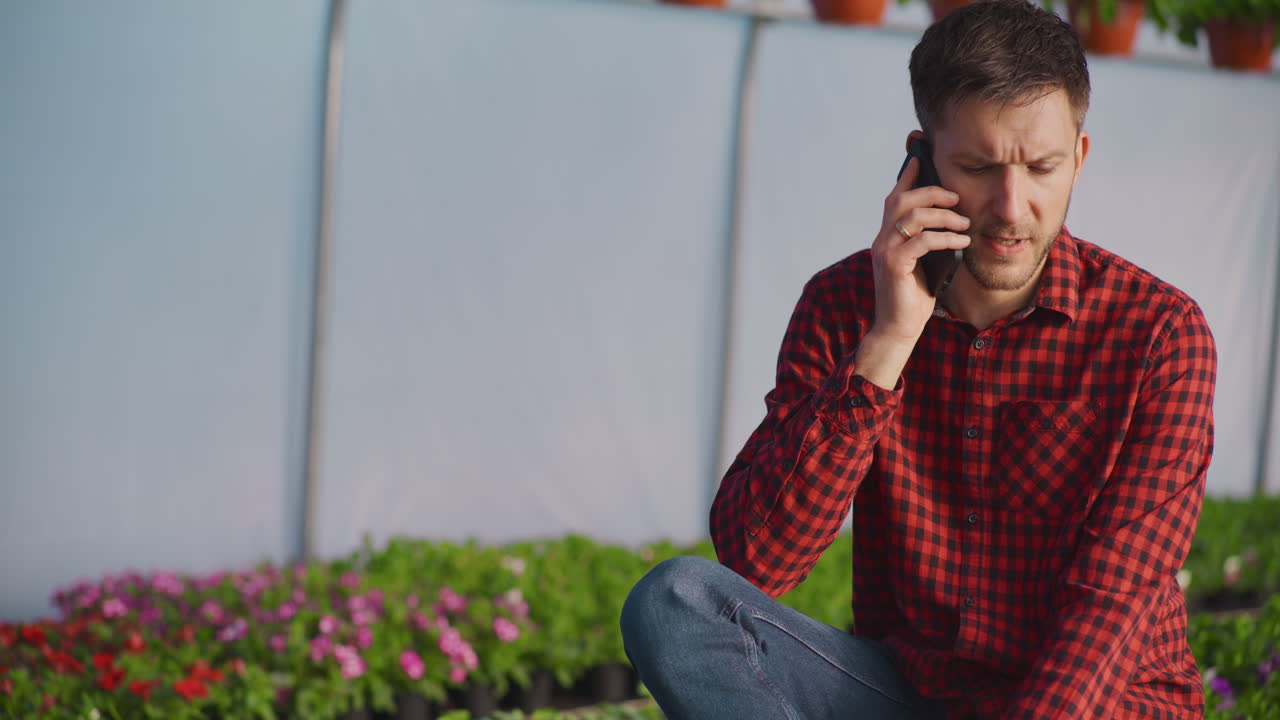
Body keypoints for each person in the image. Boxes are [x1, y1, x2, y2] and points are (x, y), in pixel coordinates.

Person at [619, 1, 1218, 718]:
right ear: (921, 160)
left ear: (1079, 159)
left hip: (1095, 706)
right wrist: (889, 340)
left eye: (1043, 168)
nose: (1012, 205)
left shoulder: (1159, 333)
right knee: (675, 601)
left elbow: (1111, 605)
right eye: (977, 166)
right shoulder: (843, 306)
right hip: (911, 694)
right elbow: (757, 562)